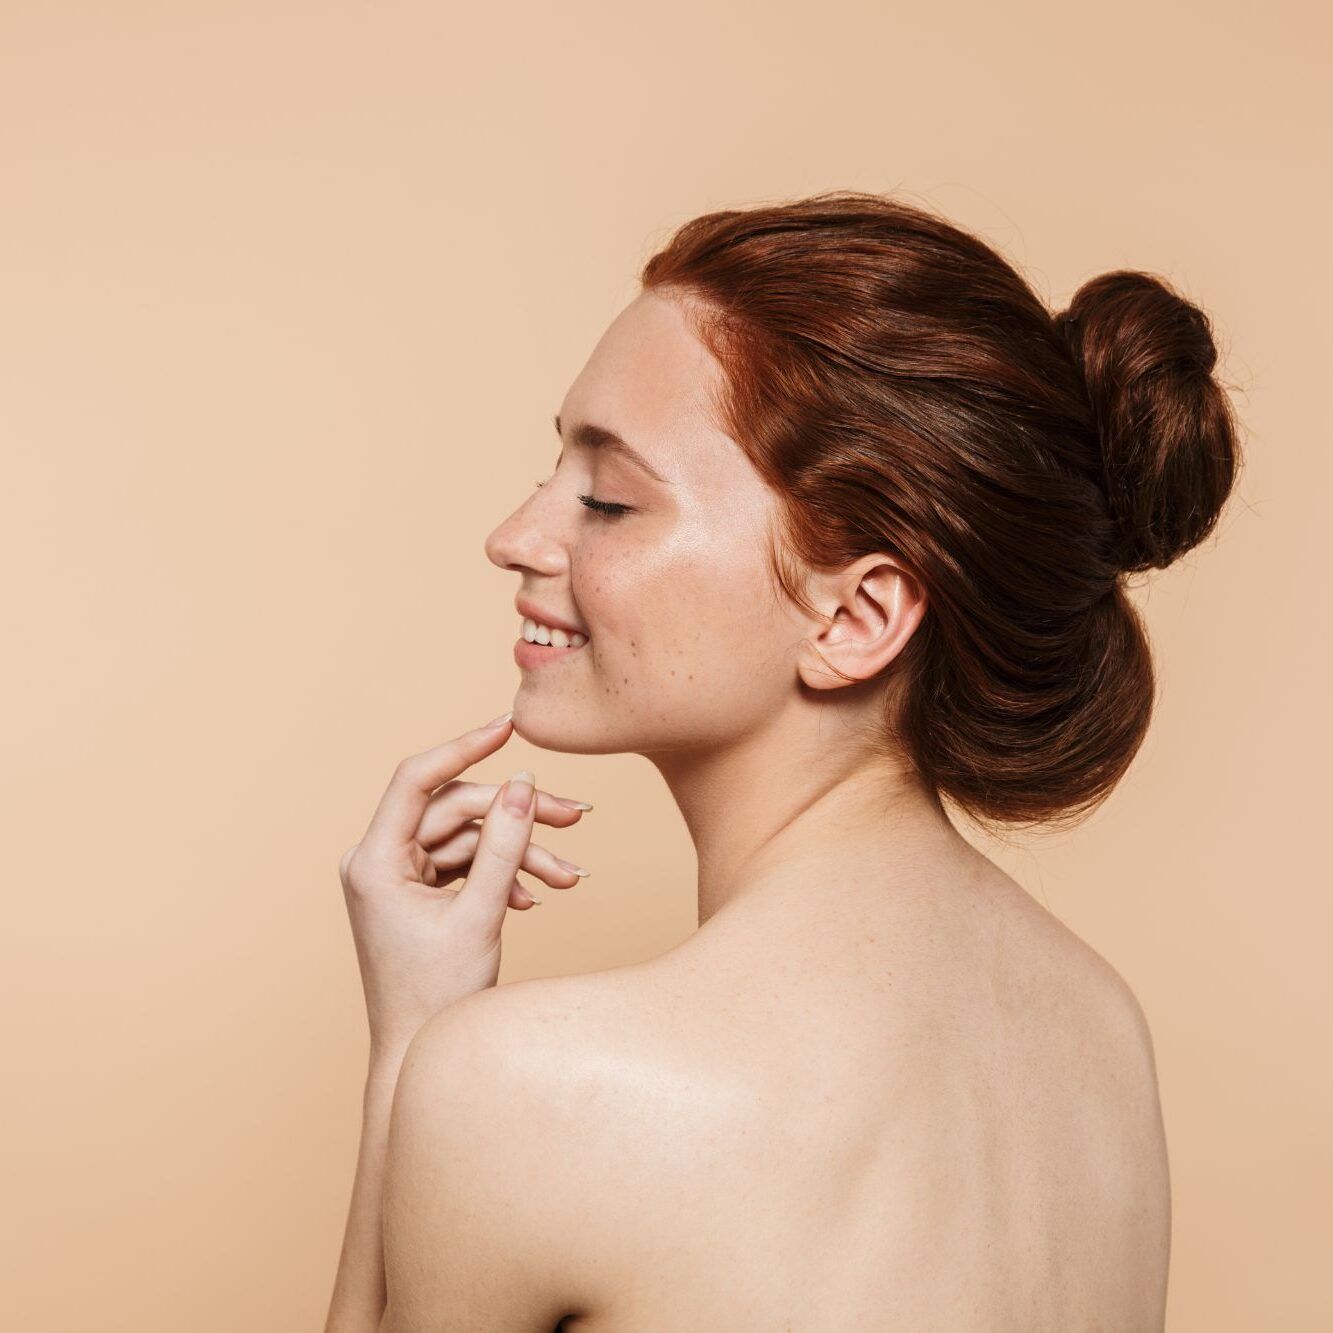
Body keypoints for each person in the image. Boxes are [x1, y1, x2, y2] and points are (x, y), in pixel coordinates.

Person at [325, 190, 1241, 1332]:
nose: (516, 536)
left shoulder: (538, 1090)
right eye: (555, 467)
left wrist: (416, 1056)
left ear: (855, 616)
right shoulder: (1101, 1031)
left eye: (608, 498)